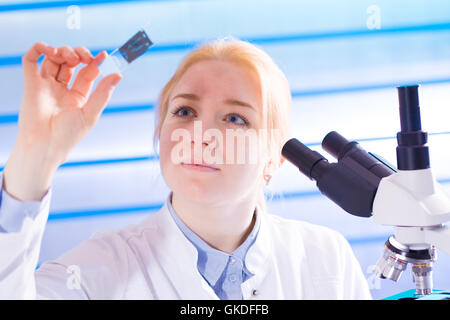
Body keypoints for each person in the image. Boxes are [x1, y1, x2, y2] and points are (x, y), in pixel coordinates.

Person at [0, 37, 372, 299]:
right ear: (160, 133)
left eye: (235, 118)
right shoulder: (96, 272)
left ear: (275, 156)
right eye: (184, 111)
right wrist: (35, 156)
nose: (201, 134)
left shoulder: (327, 259)